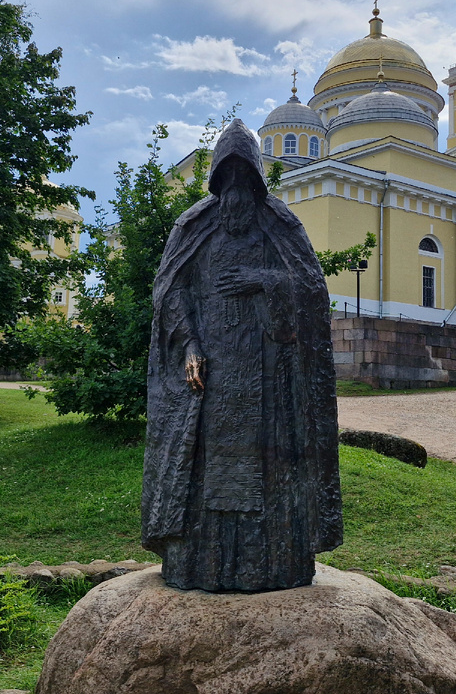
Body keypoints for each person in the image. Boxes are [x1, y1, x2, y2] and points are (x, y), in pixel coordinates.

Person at [142, 119, 342, 592]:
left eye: (243, 178)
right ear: (216, 181)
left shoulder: (280, 224)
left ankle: (276, 565)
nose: (235, 191)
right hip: (209, 370)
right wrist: (189, 344)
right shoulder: (193, 225)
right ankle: (197, 565)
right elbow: (171, 290)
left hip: (268, 373)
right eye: (226, 179)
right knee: (203, 465)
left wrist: (264, 280)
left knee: (271, 466)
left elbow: (311, 290)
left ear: (256, 180)